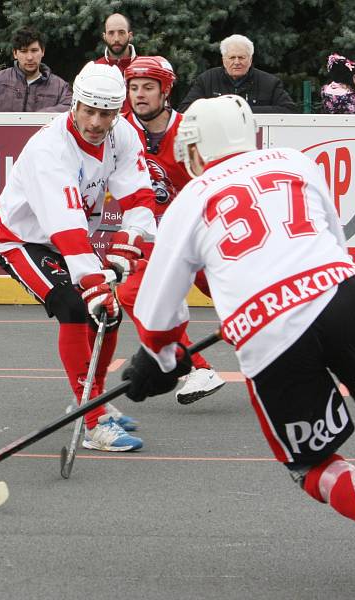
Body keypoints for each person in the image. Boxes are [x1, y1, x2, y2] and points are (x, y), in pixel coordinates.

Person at [122, 94, 355, 593]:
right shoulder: (295, 160)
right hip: (341, 296)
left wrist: (160, 361)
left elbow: (157, 312)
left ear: (196, 148)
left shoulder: (189, 199)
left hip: (268, 332)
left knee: (311, 465)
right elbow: (335, 243)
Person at [0, 61, 158, 451]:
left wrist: (128, 243)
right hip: (21, 238)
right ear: (75, 104)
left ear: (118, 112)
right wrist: (94, 281)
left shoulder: (124, 134)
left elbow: (139, 198)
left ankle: (92, 399)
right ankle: (92, 420)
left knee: (109, 313)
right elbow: (64, 229)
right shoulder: (49, 150)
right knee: (75, 306)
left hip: (72, 236)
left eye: (107, 114)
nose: (96, 122)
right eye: (89, 111)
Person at [117, 55, 225, 404]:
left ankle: (304, 342)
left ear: (165, 91)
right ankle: (196, 367)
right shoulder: (120, 130)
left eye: (148, 87)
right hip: (158, 241)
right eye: (133, 88)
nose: (139, 95)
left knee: (236, 295)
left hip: (198, 234)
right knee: (132, 293)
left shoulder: (188, 131)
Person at [177, 34, 295, 113]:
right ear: (224, 59)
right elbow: (185, 109)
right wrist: (219, 111)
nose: (237, 62)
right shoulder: (207, 79)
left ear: (250, 59)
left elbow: (288, 109)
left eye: (242, 57)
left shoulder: (269, 83)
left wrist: (244, 110)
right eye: (232, 57)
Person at [0, 26, 71, 112]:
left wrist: (40, 117)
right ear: (15, 53)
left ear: (42, 51)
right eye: (24, 51)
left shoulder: (59, 86)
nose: (29, 57)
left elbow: (71, 109)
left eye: (34, 50)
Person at [95, 13, 136, 112]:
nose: (116, 39)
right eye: (111, 33)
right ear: (104, 36)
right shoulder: (95, 69)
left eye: (121, 32)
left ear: (130, 36)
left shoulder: (143, 67)